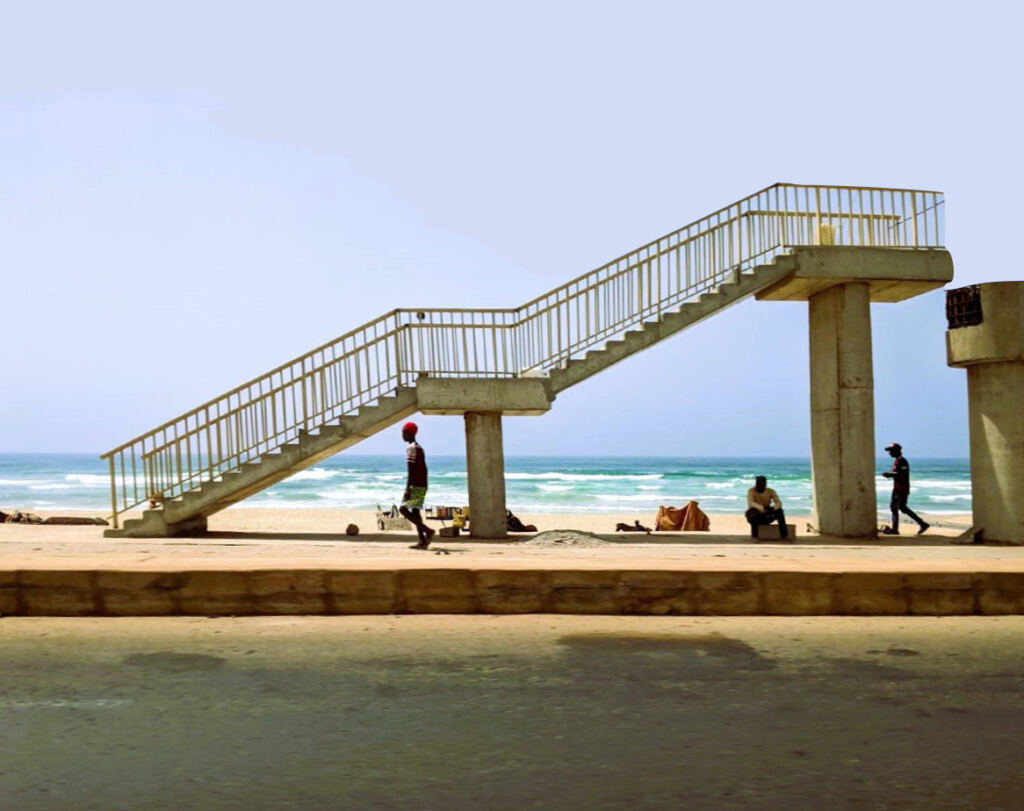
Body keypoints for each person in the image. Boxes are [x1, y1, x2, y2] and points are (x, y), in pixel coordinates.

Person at [399, 421, 435, 550]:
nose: (402, 435)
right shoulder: (419, 447)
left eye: (403, 432)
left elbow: (411, 470)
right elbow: (424, 469)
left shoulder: (411, 448)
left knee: (403, 509)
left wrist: (408, 489)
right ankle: (422, 541)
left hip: (415, 485)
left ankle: (428, 531)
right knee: (415, 511)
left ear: (409, 433)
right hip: (422, 483)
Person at [881, 442, 929, 535]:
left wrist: (890, 474)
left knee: (898, 507)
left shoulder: (902, 461)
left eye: (891, 451)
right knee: (897, 508)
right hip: (897, 488)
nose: (890, 453)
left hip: (902, 489)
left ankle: (920, 524)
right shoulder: (897, 460)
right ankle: (921, 524)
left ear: (897, 450)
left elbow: (901, 474)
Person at [745, 475, 788, 540]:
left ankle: (784, 535)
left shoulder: (770, 491)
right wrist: (762, 508)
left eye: (761, 483)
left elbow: (778, 502)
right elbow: (751, 503)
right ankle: (755, 536)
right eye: (757, 483)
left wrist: (773, 508)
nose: (759, 485)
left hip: (767, 516)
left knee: (780, 511)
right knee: (752, 512)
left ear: (765, 484)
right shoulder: (751, 491)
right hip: (756, 517)